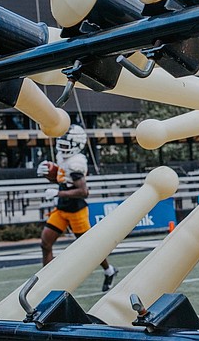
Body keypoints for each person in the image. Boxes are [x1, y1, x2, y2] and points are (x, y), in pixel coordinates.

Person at [38, 124, 119, 291]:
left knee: (89, 249)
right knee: (45, 243)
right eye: (61, 142)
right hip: (62, 209)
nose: (62, 147)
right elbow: (62, 181)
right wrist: (49, 176)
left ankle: (109, 270)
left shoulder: (76, 164)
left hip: (76, 210)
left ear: (77, 144)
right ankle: (46, 281)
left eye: (67, 144)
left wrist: (57, 193)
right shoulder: (63, 158)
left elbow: (83, 191)